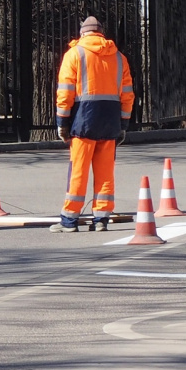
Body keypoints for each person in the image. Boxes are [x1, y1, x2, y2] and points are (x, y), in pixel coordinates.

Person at [53, 16, 135, 232]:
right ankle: (101, 220)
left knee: (78, 171)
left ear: (82, 33)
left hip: (83, 120)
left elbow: (65, 92)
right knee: (105, 172)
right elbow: (127, 95)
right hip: (110, 122)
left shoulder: (75, 54)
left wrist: (62, 122)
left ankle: (69, 221)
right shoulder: (119, 58)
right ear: (101, 33)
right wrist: (123, 124)